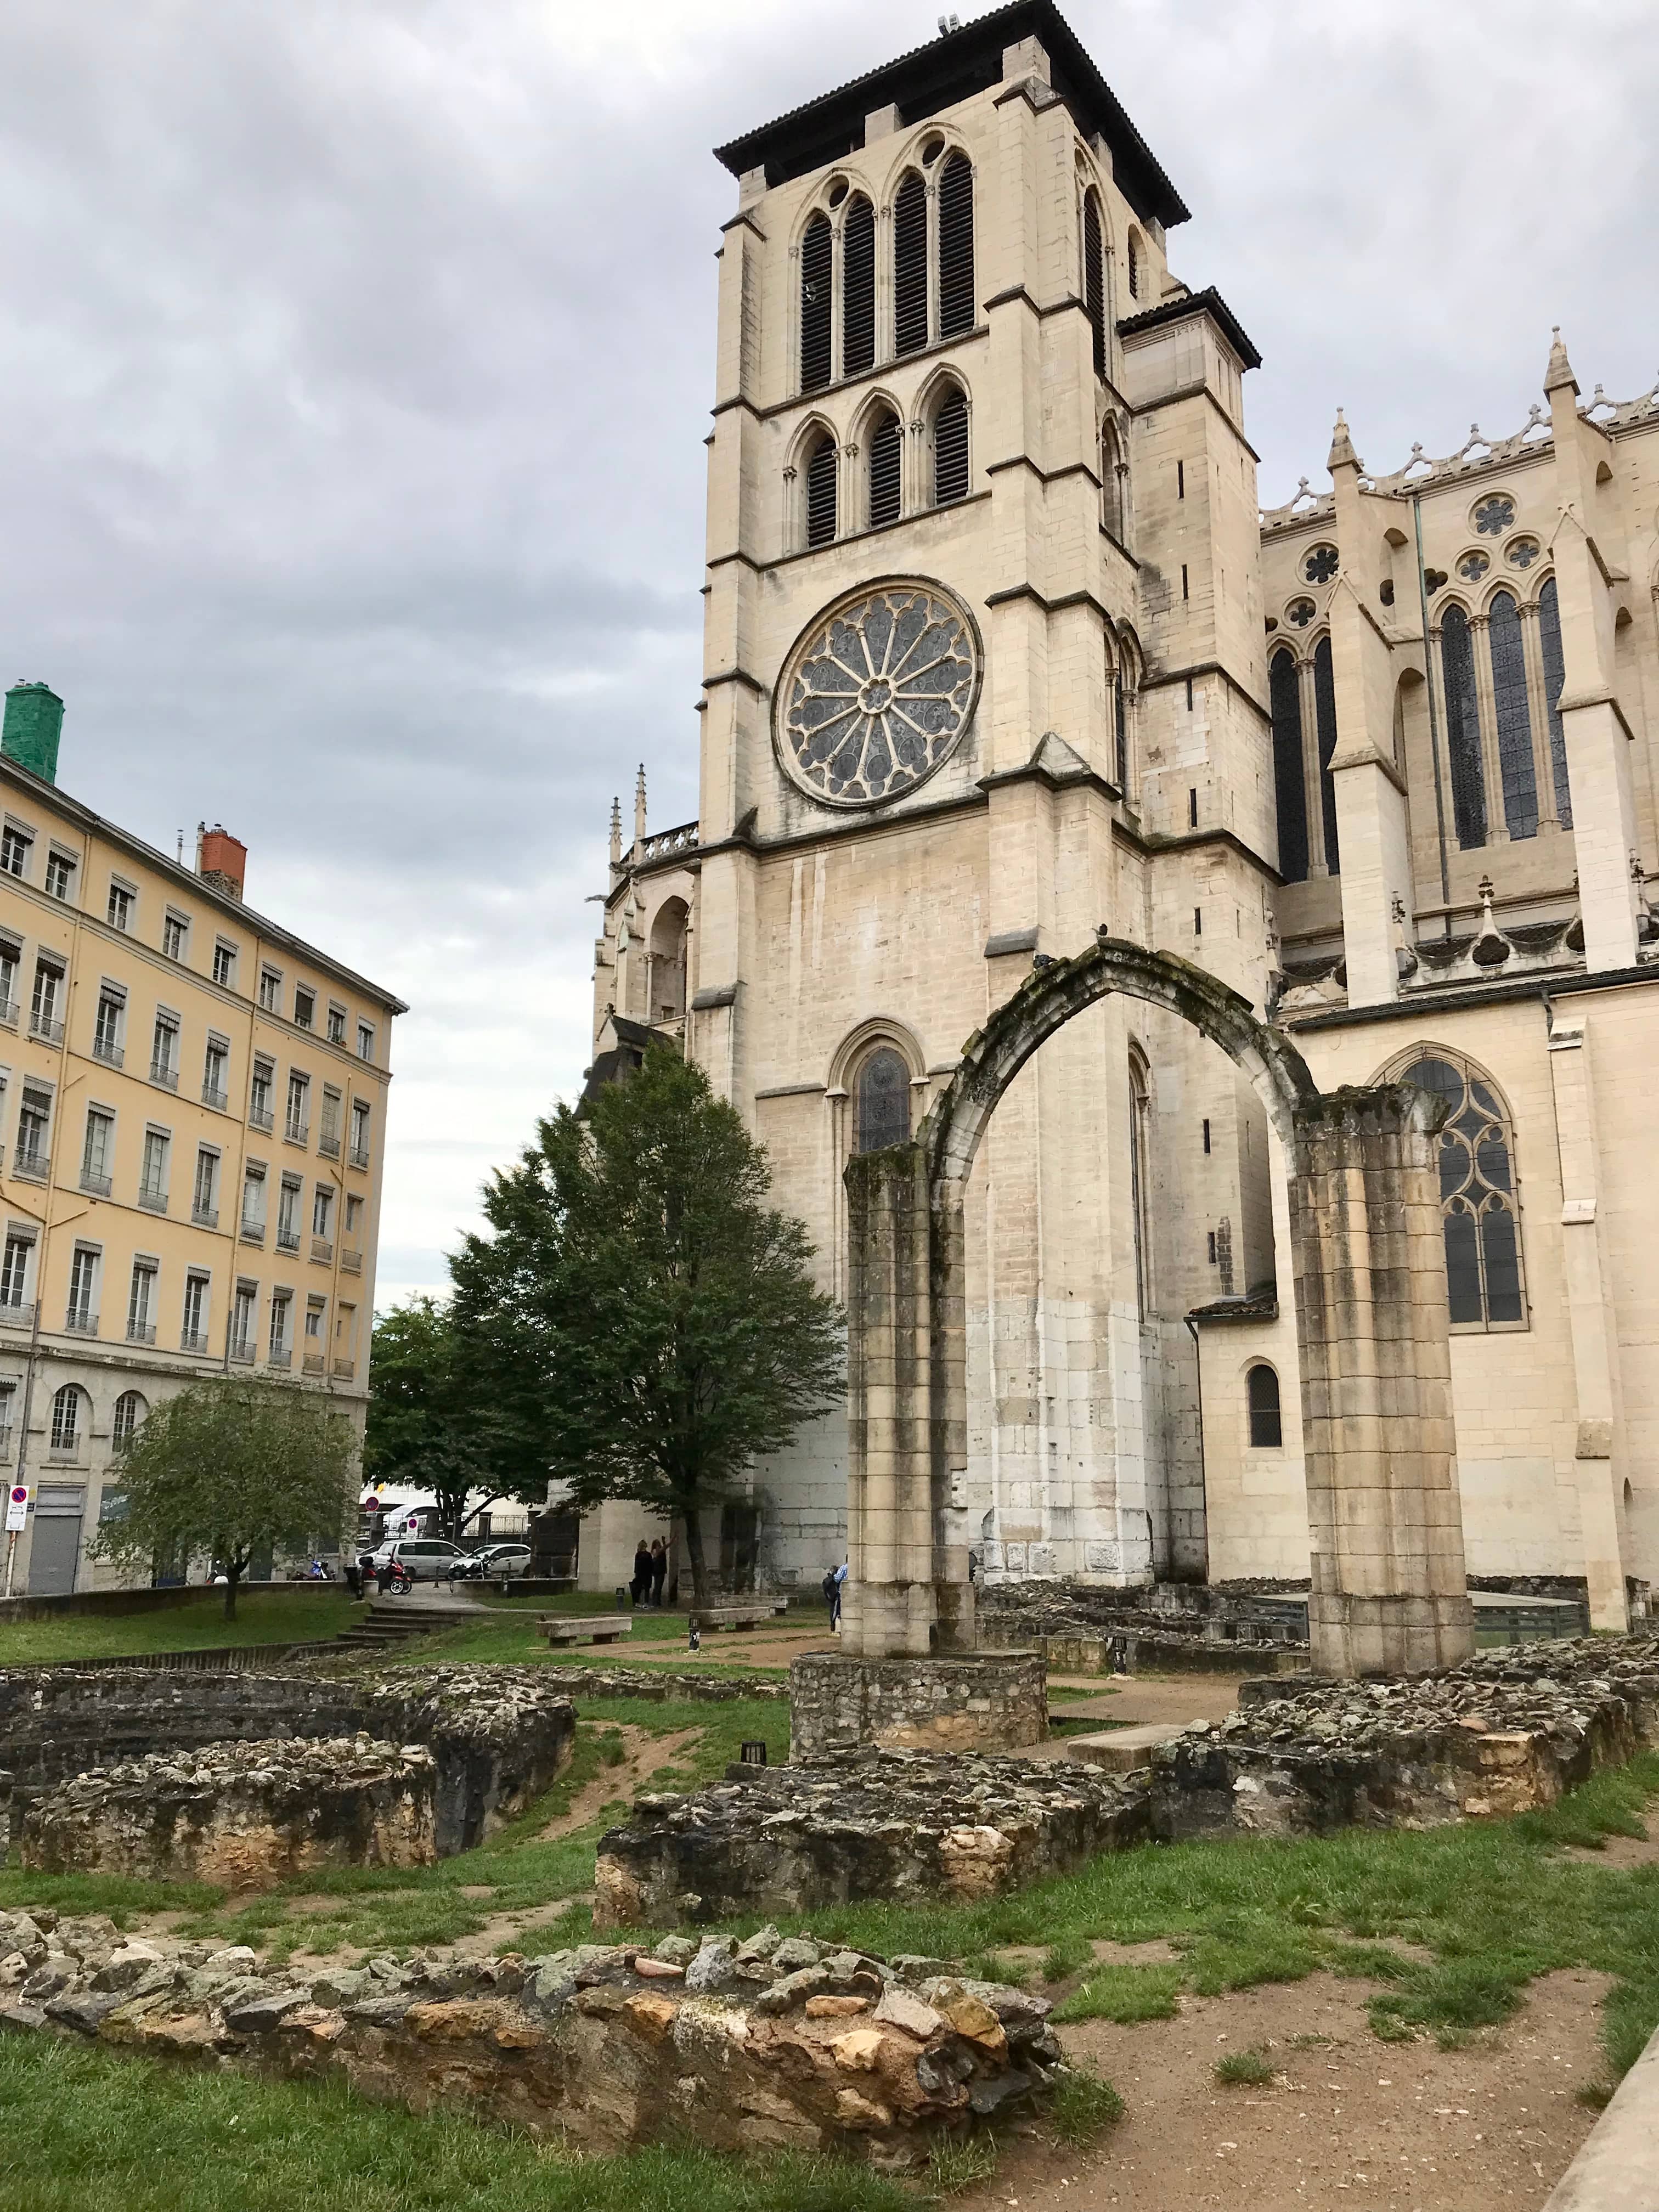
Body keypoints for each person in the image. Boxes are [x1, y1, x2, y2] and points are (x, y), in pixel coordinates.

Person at [630, 1538, 653, 1607]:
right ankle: (646, 1603)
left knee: (638, 1589)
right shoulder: (648, 1555)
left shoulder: (638, 1555)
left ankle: (637, 1602)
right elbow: (651, 1565)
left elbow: (636, 1565)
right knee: (647, 1589)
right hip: (647, 1574)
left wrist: (636, 1573)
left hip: (640, 1574)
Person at [649, 1537, 668, 1609]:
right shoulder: (655, 1551)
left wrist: (664, 1542)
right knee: (657, 1586)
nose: (658, 1545)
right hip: (657, 1571)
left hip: (661, 1570)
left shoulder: (662, 1551)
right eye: (657, 1544)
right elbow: (657, 1553)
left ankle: (658, 1602)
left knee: (659, 1586)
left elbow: (665, 1548)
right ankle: (655, 1602)